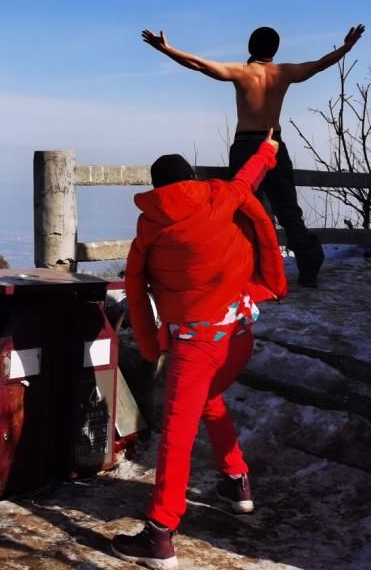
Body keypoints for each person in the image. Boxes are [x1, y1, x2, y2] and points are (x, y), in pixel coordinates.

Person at [110, 133, 287, 569]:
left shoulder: (149, 229)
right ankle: (236, 481)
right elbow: (249, 176)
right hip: (239, 334)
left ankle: (158, 535)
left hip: (194, 344)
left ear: (156, 191)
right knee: (208, 401)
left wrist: (150, 346)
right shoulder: (223, 196)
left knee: (176, 431)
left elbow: (135, 291)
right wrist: (268, 149)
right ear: (192, 177)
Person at [140, 23, 365, 287]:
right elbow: (320, 64)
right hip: (274, 144)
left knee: (247, 211)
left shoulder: (242, 72)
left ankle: (253, 270)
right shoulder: (284, 72)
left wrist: (167, 49)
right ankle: (307, 265)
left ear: (250, 48)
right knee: (289, 211)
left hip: (246, 146)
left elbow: (199, 64)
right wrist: (347, 47)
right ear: (275, 49)